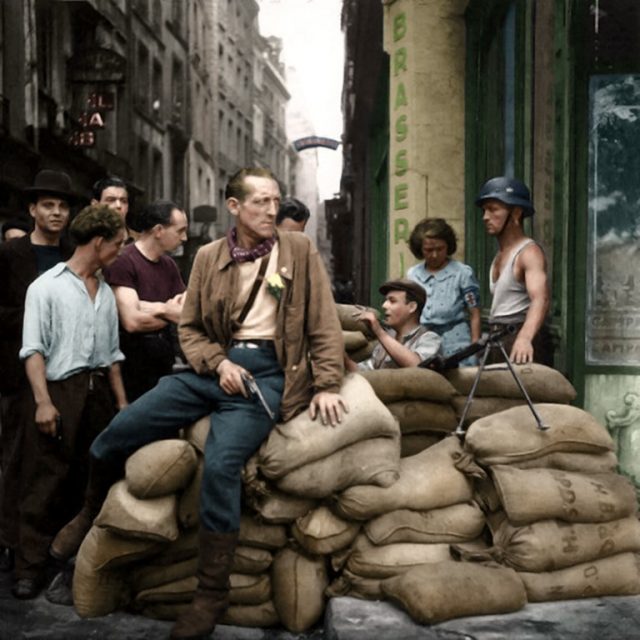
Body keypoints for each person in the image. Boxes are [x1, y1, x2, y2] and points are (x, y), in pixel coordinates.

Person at [50, 167, 347, 639]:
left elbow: (324, 321)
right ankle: (89, 512)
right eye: (260, 202)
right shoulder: (208, 257)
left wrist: (328, 383)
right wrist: (218, 363)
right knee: (115, 436)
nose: (272, 211)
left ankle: (210, 595)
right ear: (234, 207)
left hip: (265, 376)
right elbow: (187, 328)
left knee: (222, 466)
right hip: (209, 369)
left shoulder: (299, 251)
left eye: (275, 201)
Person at [13, 204, 127, 600]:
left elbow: (112, 358)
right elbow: (33, 352)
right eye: (117, 244)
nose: (120, 251)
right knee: (45, 479)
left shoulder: (107, 293)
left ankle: (65, 567)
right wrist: (43, 403)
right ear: (98, 242)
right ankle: (28, 568)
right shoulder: (45, 287)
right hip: (59, 392)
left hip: (97, 397)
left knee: (86, 482)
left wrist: (123, 406)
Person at [0, 170, 75, 576]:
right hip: (17, 374)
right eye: (48, 205)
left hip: (62, 373)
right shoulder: (10, 255)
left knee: (52, 464)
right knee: (15, 461)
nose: (56, 212)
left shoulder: (71, 255)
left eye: (62, 206)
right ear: (32, 210)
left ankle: (44, 548)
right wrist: (33, 317)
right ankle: (13, 546)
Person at [102, 200, 188, 401]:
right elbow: (132, 322)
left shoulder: (169, 265)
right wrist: (167, 310)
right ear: (158, 230)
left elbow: (187, 312)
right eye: (180, 230)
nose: (184, 238)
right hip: (133, 366)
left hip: (163, 363)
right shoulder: (124, 260)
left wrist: (153, 308)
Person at [476, 176, 552, 365]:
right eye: (485, 210)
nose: (485, 217)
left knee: (523, 393)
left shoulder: (529, 252)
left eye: (493, 209)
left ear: (516, 213)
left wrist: (525, 338)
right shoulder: (500, 255)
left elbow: (540, 299)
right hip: (497, 336)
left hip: (519, 336)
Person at [406, 218, 481, 365]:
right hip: (423, 342)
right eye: (428, 250)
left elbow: (475, 313)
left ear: (448, 246)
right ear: (420, 249)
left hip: (457, 343)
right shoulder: (413, 275)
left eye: (439, 249)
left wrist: (475, 347)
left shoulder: (462, 273)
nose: (434, 255)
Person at [344, 278, 441, 371]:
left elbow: (418, 367)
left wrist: (379, 331)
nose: (384, 306)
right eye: (386, 301)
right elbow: (367, 373)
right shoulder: (387, 340)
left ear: (412, 307)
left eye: (392, 301)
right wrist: (343, 358)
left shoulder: (429, 338)